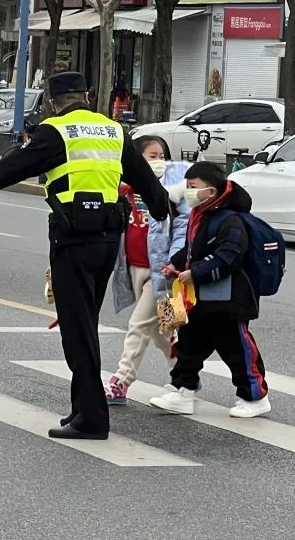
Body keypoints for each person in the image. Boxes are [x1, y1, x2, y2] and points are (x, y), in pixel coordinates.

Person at [0, 72, 168, 440]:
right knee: (84, 324)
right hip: (108, 241)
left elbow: (5, 170)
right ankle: (82, 408)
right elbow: (145, 180)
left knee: (77, 331)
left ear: (53, 102)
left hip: (73, 240)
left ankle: (91, 417)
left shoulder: (55, 132)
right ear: (86, 96)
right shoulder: (112, 130)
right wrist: (164, 209)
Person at [147, 162, 271, 419]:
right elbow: (194, 250)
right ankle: (182, 392)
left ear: (211, 192)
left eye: (193, 187)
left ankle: (255, 397)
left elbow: (229, 256)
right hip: (199, 299)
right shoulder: (201, 213)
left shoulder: (230, 219)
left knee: (237, 350)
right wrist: (176, 263)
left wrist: (196, 272)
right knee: (188, 347)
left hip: (228, 301)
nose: (189, 192)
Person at [104, 135, 189, 405]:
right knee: (163, 332)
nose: (159, 161)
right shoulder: (123, 190)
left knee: (139, 325)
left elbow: (182, 228)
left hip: (161, 272)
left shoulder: (172, 192)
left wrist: (175, 261)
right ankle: (186, 376)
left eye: (162, 156)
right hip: (133, 268)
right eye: (152, 156)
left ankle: (122, 380)